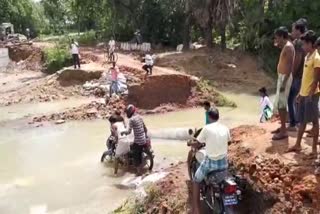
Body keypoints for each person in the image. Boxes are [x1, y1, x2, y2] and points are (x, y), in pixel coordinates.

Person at [287, 30, 320, 157]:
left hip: (312, 95)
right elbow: (306, 78)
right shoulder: (307, 56)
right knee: (302, 121)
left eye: (305, 44)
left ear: (311, 44)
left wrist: (310, 94)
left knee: (315, 122)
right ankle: (298, 144)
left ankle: (314, 151)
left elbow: (316, 79)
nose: (303, 46)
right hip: (304, 93)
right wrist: (301, 93)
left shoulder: (317, 58)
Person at [191, 107, 230, 214]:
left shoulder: (206, 128)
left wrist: (191, 143)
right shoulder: (225, 128)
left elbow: (198, 143)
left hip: (210, 163)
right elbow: (228, 142)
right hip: (224, 164)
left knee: (195, 180)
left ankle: (196, 210)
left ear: (209, 117)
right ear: (218, 117)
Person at [272, 26, 295, 140]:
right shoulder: (286, 46)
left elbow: (290, 66)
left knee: (282, 104)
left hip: (285, 78)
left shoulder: (289, 47)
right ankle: (282, 127)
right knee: (280, 103)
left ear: (282, 36)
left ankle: (284, 131)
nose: (276, 40)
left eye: (277, 38)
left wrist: (284, 82)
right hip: (282, 77)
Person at [288, 19, 307, 130]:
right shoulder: (306, 40)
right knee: (299, 99)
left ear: (298, 30)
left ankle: (294, 123)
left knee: (291, 98)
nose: (292, 32)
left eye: (293, 30)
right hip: (303, 75)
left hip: (297, 75)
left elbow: (297, 59)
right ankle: (299, 122)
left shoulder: (299, 42)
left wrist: (291, 74)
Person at [121, 105, 148, 175]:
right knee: (135, 146)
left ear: (130, 112)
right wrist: (145, 137)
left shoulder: (132, 120)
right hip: (144, 140)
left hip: (138, 142)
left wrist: (123, 132)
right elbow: (145, 129)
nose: (127, 114)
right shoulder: (140, 117)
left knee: (134, 154)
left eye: (127, 112)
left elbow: (129, 132)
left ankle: (138, 172)